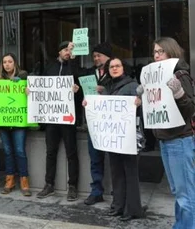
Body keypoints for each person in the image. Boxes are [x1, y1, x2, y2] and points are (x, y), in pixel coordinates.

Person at [136, 37, 195, 228]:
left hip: (180, 140)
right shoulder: (156, 77)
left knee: (186, 195)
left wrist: (179, 93)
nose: (156, 55)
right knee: (178, 191)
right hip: (165, 140)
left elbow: (190, 109)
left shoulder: (180, 75)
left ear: (171, 51)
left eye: (160, 51)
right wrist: (144, 96)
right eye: (154, 52)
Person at [84, 57, 144, 221]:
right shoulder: (107, 88)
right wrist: (89, 104)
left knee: (130, 174)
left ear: (124, 68)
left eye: (118, 66)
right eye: (112, 66)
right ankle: (118, 206)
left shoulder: (133, 86)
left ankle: (132, 209)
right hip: (114, 138)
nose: (115, 68)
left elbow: (142, 110)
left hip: (129, 138)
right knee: (116, 173)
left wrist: (140, 103)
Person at [37, 41, 81, 201]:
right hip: (52, 117)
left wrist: (77, 89)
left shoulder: (74, 66)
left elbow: (80, 81)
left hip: (68, 117)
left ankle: (73, 186)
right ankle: (49, 184)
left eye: (70, 50)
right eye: (65, 50)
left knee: (71, 152)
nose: (68, 52)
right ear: (59, 52)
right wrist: (31, 90)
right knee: (50, 152)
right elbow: (41, 85)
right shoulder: (50, 66)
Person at [0, 53, 31, 196]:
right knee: (7, 152)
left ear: (15, 63)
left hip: (18, 123)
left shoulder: (23, 76)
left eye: (10, 61)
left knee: (20, 151)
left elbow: (31, 86)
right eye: (4, 62)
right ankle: (9, 180)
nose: (7, 64)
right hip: (3, 123)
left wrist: (27, 89)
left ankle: (24, 181)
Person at [83, 42, 112, 205]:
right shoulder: (88, 73)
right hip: (94, 123)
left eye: (98, 55)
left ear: (107, 56)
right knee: (95, 159)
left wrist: (104, 90)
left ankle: (119, 191)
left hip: (112, 124)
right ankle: (96, 191)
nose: (95, 58)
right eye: (93, 56)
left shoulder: (118, 70)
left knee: (115, 159)